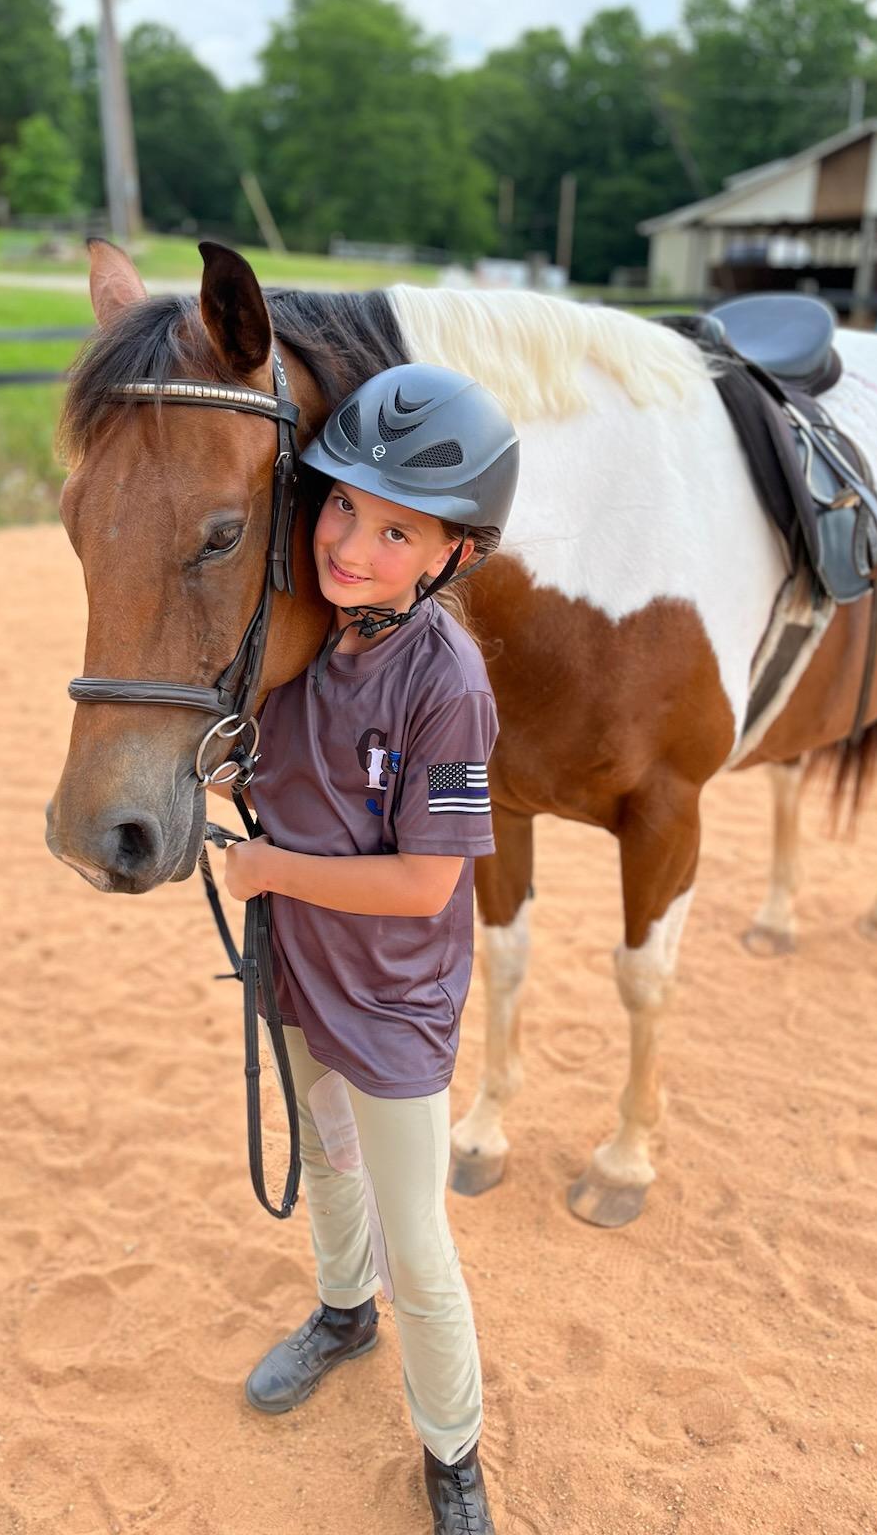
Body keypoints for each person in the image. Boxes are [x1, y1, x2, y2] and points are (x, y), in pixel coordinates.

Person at [215, 362, 519, 1535]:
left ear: (454, 555)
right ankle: (343, 1314)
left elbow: (428, 877)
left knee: (420, 1239)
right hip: (296, 968)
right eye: (343, 504)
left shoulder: (454, 690)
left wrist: (270, 869)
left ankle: (452, 1451)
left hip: (394, 1000)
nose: (350, 542)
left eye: (398, 529)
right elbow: (285, 767)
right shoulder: (302, 635)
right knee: (328, 1169)